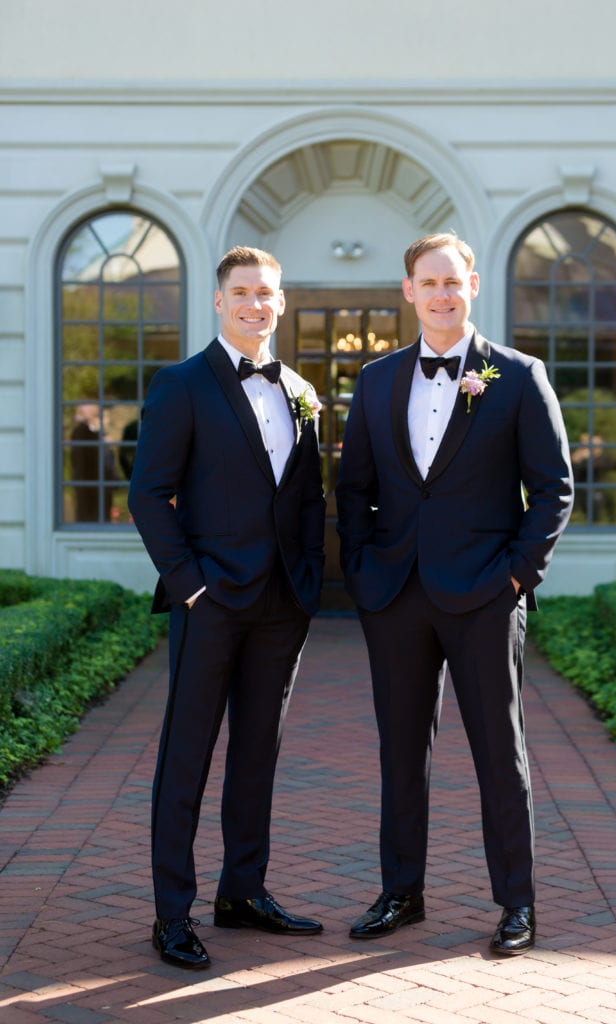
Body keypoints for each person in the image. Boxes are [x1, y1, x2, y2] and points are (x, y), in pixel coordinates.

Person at [336, 231, 573, 956]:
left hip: (484, 595)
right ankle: (400, 893)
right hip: (396, 594)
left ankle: (515, 904)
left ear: (473, 284)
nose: (441, 293)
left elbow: (553, 488)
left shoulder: (518, 375)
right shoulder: (375, 380)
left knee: (500, 753)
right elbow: (353, 489)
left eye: (452, 280)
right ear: (407, 290)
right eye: (427, 282)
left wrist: (515, 575)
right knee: (400, 753)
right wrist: (364, 570)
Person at [128, 246, 326, 970]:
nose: (254, 305)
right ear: (219, 302)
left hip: (281, 605)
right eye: (241, 293)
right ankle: (172, 913)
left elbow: (305, 497)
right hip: (209, 600)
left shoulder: (298, 388)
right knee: (187, 757)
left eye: (266, 293)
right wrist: (189, 585)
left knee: (256, 756)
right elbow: (147, 494)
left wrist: (307, 582)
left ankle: (242, 891)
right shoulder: (181, 384)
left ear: (281, 302)